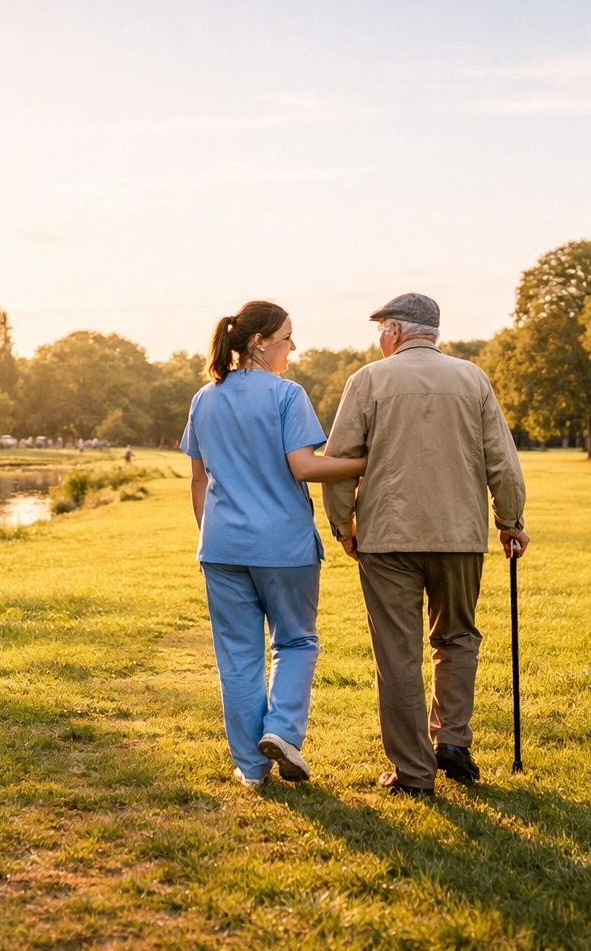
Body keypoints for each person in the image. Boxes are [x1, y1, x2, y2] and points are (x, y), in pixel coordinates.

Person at [324, 293, 528, 796]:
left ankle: (415, 774)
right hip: (459, 536)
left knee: (396, 653)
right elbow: (501, 458)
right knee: (457, 637)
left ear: (394, 330)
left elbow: (338, 459)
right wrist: (510, 521)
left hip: (387, 537)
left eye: (381, 329)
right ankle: (453, 739)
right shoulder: (472, 378)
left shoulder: (368, 379)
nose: (379, 339)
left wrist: (342, 526)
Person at [182, 301, 367, 790]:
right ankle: (282, 732)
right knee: (296, 640)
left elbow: (198, 480)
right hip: (283, 546)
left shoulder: (205, 398)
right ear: (260, 342)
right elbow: (304, 467)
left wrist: (212, 531)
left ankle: (252, 768)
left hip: (221, 547)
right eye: (287, 337)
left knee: (237, 656)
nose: (293, 346)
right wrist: (367, 462)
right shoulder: (288, 394)